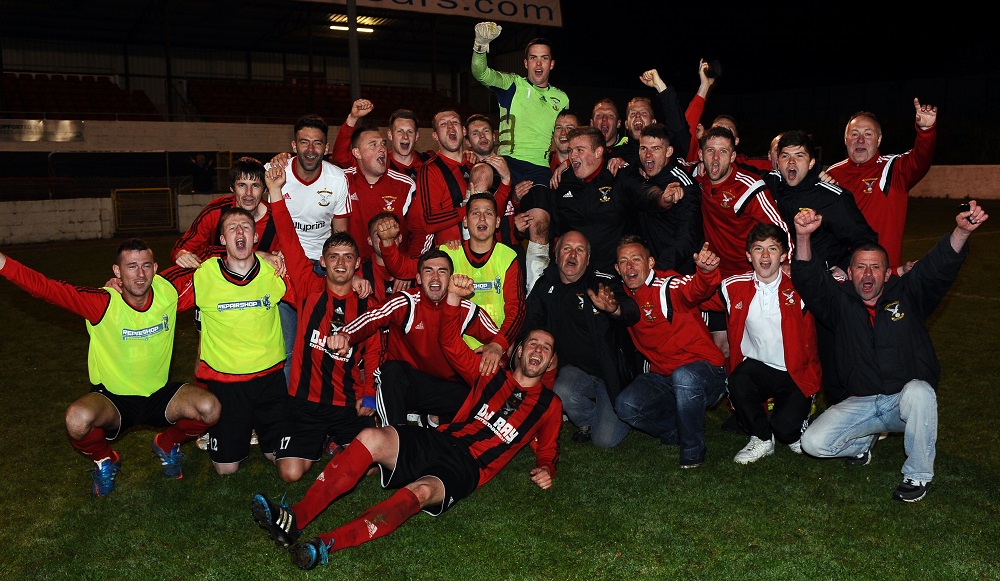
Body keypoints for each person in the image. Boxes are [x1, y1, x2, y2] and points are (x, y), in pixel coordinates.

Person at [252, 272, 561, 570]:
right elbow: (451, 343)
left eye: (546, 349)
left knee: (421, 492)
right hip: (440, 438)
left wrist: (547, 467)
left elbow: (547, 448)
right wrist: (453, 296)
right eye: (533, 343)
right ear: (518, 350)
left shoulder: (549, 406)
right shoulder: (490, 371)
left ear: (550, 362)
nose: (539, 350)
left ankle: (328, 543)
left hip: (468, 467)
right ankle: (295, 517)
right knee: (372, 438)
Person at [794, 202, 988, 502]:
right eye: (860, 266)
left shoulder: (909, 295)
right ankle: (863, 443)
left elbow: (937, 267)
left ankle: (918, 475)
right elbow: (809, 279)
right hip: (861, 402)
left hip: (903, 403)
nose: (867, 273)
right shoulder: (839, 304)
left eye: (875, 267)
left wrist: (961, 231)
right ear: (849, 272)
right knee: (813, 443)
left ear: (887, 274)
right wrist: (803, 236)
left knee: (920, 391)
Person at [0, 239, 220, 496]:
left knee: (210, 408)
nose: (140, 275)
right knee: (77, 419)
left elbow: (218, 267)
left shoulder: (168, 291)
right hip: (114, 401)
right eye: (132, 267)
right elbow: (45, 288)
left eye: (146, 266)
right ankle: (105, 459)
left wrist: (264, 256)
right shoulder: (101, 303)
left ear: (156, 268)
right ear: (117, 271)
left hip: (160, 395)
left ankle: (167, 444)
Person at [265, 163, 381, 483]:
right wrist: (275, 191)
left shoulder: (366, 304)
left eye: (347, 257)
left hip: (347, 403)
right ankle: (324, 443)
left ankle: (335, 442)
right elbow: (288, 237)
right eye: (334, 256)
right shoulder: (308, 288)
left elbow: (373, 353)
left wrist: (369, 397)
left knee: (370, 468)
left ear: (357, 264)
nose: (341, 263)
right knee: (289, 473)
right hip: (305, 403)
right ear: (323, 262)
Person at [166, 207, 291, 475]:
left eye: (245, 227)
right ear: (222, 240)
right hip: (226, 383)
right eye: (232, 228)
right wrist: (121, 287)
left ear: (256, 236)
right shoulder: (204, 274)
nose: (239, 232)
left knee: (281, 458)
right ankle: (241, 430)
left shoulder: (274, 272)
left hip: (270, 380)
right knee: (226, 469)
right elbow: (157, 294)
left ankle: (262, 432)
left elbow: (313, 290)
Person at [330, 234, 503, 428]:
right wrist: (346, 334)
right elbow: (373, 316)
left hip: (445, 387)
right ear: (419, 278)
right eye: (429, 271)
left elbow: (499, 336)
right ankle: (394, 436)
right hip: (408, 384)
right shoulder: (407, 301)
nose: (435, 277)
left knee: (479, 395)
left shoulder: (465, 308)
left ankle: (430, 421)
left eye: (442, 271)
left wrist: (496, 346)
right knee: (391, 372)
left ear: (450, 278)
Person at [764, 130, 878, 407]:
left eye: (799, 156)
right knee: (778, 347)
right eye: (785, 156)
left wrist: (842, 267)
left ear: (813, 163)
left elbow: (865, 240)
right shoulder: (769, 186)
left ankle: (843, 411)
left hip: (820, 288)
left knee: (829, 353)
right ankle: (786, 401)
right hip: (780, 286)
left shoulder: (832, 197)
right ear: (776, 161)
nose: (792, 163)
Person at [701, 223, 822, 463]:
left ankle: (798, 415)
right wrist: (705, 274)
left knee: (787, 431)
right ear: (748, 255)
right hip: (757, 367)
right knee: (737, 381)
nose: (765, 256)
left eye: (773, 249)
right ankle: (761, 438)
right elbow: (697, 299)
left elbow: (838, 287)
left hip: (795, 371)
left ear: (784, 254)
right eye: (758, 249)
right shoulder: (732, 286)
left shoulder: (800, 286)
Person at [613, 236, 728, 468]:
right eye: (624, 261)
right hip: (664, 375)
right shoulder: (623, 299)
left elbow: (693, 289)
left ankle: (692, 450)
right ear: (617, 269)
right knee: (626, 404)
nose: (630, 266)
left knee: (684, 376)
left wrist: (706, 273)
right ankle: (677, 429)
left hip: (707, 373)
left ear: (651, 262)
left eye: (636, 259)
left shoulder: (668, 285)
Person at [524, 230, 638, 447]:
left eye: (580, 250)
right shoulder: (545, 284)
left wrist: (614, 308)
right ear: (556, 256)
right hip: (573, 372)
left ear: (588, 259)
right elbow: (531, 323)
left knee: (605, 441)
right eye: (566, 249)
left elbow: (631, 310)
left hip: (609, 375)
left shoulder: (601, 284)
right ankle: (586, 419)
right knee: (562, 390)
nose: (572, 255)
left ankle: (618, 408)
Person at [268, 114, 351, 385]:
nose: (311, 149)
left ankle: (320, 401)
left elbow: (340, 234)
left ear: (326, 149)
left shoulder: (336, 178)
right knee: (286, 346)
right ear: (294, 145)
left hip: (319, 271)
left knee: (321, 343)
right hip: (283, 269)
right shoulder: (275, 173)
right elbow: (255, 218)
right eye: (304, 142)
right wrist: (264, 255)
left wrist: (341, 271)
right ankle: (285, 412)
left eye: (317, 143)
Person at [696, 125, 791, 358]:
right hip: (715, 275)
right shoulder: (698, 178)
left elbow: (779, 228)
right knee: (720, 346)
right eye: (710, 151)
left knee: (749, 344)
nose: (716, 158)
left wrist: (786, 262)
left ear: (733, 156)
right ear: (700, 155)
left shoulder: (749, 187)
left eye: (723, 151)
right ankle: (726, 390)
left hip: (746, 276)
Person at [825, 98, 938, 267]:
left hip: (884, 276)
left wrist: (926, 131)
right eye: (854, 134)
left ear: (878, 140)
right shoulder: (832, 174)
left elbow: (920, 160)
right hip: (842, 275)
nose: (860, 140)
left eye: (868, 134)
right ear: (845, 139)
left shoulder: (894, 169)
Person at [471, 22, 568, 190]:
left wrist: (566, 163)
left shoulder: (562, 99)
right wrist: (479, 46)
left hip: (539, 168)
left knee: (539, 217)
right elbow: (481, 73)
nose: (538, 64)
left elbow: (566, 137)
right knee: (480, 173)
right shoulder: (512, 85)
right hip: (507, 161)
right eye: (533, 58)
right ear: (525, 63)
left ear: (551, 64)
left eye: (544, 58)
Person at [613, 123, 702, 274]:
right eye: (643, 148)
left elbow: (686, 238)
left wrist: (657, 272)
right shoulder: (634, 172)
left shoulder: (684, 185)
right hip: (645, 269)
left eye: (655, 149)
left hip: (677, 274)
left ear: (669, 151)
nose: (648, 155)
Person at [546, 125, 631, 273]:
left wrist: (663, 200)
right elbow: (554, 229)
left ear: (598, 152)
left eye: (579, 150)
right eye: (570, 150)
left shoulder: (618, 176)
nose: (572, 156)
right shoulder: (561, 183)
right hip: (575, 273)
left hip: (614, 272)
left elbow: (646, 201)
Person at [172, 156, 279, 269]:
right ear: (232, 188)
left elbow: (285, 257)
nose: (249, 193)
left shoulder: (276, 219)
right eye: (242, 185)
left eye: (255, 186)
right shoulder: (216, 210)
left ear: (265, 189)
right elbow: (180, 249)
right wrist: (182, 255)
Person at [405, 109, 471, 256]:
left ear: (464, 130)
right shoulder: (430, 169)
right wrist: (470, 209)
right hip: (451, 254)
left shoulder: (475, 166)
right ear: (435, 136)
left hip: (482, 252)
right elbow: (429, 221)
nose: (450, 127)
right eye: (443, 124)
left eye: (454, 122)